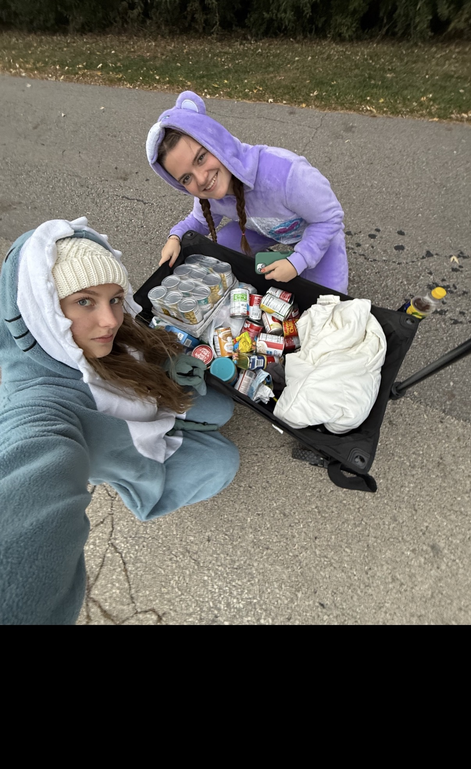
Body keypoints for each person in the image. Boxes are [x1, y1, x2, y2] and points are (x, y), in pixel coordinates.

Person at [0, 217, 240, 625]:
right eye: (84, 301)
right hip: (130, 445)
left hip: (145, 403)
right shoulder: (38, 399)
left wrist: (168, 364)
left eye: (114, 298)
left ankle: (173, 423)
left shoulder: (99, 330)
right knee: (222, 462)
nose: (110, 321)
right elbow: (27, 483)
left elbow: (136, 344)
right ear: (42, 307)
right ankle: (145, 493)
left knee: (223, 408)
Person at [146, 90, 348, 292]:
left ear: (217, 143)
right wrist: (175, 238)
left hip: (316, 228)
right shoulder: (208, 193)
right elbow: (199, 221)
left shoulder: (285, 173)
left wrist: (299, 260)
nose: (201, 179)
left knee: (328, 302)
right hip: (264, 228)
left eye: (200, 158)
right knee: (214, 257)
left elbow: (329, 218)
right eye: (186, 178)